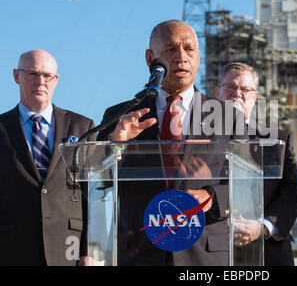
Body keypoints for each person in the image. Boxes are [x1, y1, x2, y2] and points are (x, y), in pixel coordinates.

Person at [96, 20, 246, 266]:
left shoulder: (227, 117)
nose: (181, 57)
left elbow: (247, 184)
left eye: (189, 49)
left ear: (199, 56)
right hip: (140, 251)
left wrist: (209, 196)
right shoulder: (121, 116)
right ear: (150, 58)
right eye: (170, 49)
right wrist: (117, 143)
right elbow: (97, 182)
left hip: (204, 254)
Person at [0, 49, 95, 266]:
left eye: (47, 76)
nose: (41, 81)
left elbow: (90, 193)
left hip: (68, 249)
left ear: (56, 80)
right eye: (33, 74)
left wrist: (89, 249)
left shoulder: (83, 127)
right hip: (10, 248)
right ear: (16, 76)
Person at [215, 62, 297, 266]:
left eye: (245, 89)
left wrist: (263, 226)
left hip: (269, 253)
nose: (237, 94)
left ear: (254, 97)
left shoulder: (277, 140)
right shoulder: (197, 139)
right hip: (212, 252)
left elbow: (293, 191)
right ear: (218, 93)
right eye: (230, 87)